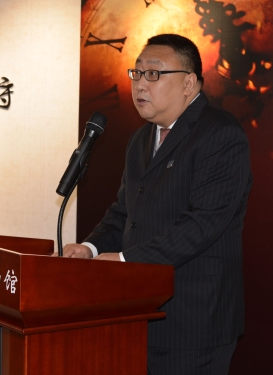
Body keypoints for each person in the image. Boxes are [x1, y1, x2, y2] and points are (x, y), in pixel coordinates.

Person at [62, 34, 252, 375]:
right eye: (136, 73)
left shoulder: (220, 134)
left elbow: (202, 224)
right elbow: (125, 211)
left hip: (193, 321)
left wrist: (125, 261)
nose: (140, 84)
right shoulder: (141, 138)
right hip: (138, 313)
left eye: (153, 73)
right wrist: (90, 248)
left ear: (188, 83)